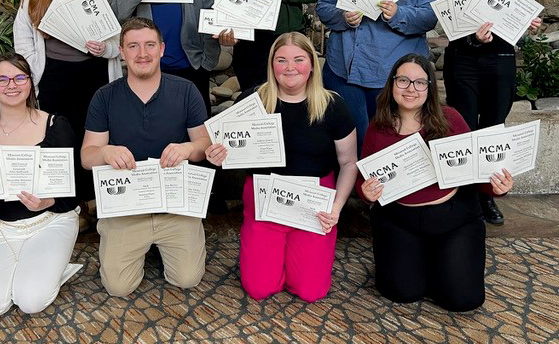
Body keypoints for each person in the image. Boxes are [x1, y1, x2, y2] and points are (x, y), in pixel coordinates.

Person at [205, 32, 358, 302]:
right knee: (260, 288)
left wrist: (336, 207)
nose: (290, 68)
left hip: (314, 203)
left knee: (311, 291)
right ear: (271, 64)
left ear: (312, 64)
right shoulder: (253, 100)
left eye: (298, 59)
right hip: (265, 199)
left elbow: (348, 163)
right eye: (281, 60)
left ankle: (295, 256)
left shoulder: (333, 105)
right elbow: (229, 146)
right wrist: (218, 155)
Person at [356, 53, 514, 312]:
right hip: (399, 219)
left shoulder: (450, 119)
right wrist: (365, 193)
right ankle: (421, 258)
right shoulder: (378, 127)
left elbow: (477, 172)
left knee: (463, 300)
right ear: (392, 84)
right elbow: (364, 178)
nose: (411, 89)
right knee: (402, 292)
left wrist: (497, 187)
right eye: (403, 80)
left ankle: (438, 259)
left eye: (420, 82)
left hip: (454, 217)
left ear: (429, 88)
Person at [81, 17, 212, 296]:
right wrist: (105, 151)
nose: (143, 53)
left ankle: (167, 243)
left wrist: (188, 149)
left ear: (162, 49)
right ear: (121, 51)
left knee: (187, 278)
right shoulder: (105, 97)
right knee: (118, 287)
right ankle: (133, 243)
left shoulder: (186, 90)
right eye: (133, 46)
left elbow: (204, 146)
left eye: (150, 45)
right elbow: (87, 156)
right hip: (126, 206)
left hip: (174, 204)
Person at [435, 0, 542, 225]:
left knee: (494, 127)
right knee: (466, 129)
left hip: (500, 60)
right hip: (463, 61)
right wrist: (474, 38)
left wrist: (531, 23)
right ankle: (470, 196)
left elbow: (522, 10)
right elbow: (450, 28)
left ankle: (488, 195)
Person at [0, 53, 80, 323]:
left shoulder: (55, 126)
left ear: (30, 83)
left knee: (31, 300)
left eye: (19, 77)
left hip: (50, 221)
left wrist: (48, 203)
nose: (11, 85)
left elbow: (76, 190)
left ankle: (50, 267)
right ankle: (26, 270)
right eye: (2, 79)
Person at [14, 0, 122, 204]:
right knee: (58, 135)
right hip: (54, 73)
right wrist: (28, 68)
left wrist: (107, 48)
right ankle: (63, 201)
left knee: (95, 135)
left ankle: (92, 200)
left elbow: (119, 36)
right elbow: (23, 29)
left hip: (95, 72)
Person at [316, 0, 437, 155]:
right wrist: (343, 16)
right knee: (354, 133)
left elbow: (430, 16)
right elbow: (323, 7)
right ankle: (358, 183)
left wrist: (398, 13)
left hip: (390, 72)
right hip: (345, 70)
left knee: (389, 133)